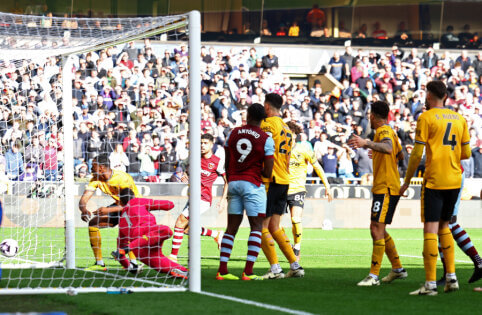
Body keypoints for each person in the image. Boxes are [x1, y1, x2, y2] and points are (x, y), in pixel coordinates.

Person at [400, 80, 471, 296]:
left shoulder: (426, 117)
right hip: (454, 180)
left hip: (434, 180)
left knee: (430, 230)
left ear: (429, 96)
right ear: (446, 97)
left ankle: (430, 284)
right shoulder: (460, 118)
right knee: (445, 227)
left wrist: (406, 181)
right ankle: (451, 278)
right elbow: (466, 154)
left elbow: (416, 154)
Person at [348, 100, 407, 286]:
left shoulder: (383, 131)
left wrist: (367, 143)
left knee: (375, 228)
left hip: (386, 187)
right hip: (387, 186)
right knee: (379, 228)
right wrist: (377, 151)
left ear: (372, 116)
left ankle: (373, 276)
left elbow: (389, 148)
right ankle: (397, 269)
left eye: (369, 116)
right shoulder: (392, 132)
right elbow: (400, 155)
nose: (369, 120)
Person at [216, 103, 275, 281]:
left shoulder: (233, 133)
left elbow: (226, 162)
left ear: (248, 115)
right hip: (252, 185)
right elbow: (268, 172)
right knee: (256, 227)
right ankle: (248, 272)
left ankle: (222, 271)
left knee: (231, 228)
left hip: (234, 183)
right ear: (264, 118)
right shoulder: (266, 138)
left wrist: (233, 175)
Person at [260, 93, 304, 279]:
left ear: (267, 107)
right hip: (284, 180)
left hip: (271, 180)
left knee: (260, 226)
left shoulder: (268, 124)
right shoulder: (287, 128)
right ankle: (295, 265)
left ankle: (275, 268)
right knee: (275, 227)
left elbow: (264, 148)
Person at [169, 133, 228, 262]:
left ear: (212, 145)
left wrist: (223, 199)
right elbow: (184, 168)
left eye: (205, 143)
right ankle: (216, 234)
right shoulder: (194, 157)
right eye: (201, 143)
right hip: (193, 197)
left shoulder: (217, 162)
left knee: (179, 221)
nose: (202, 145)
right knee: (186, 229)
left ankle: (173, 257)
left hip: (203, 199)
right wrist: (184, 174)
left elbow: (227, 180)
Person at [79, 154, 141, 271]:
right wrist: (83, 209)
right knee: (93, 223)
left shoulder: (122, 178)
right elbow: (84, 198)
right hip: (119, 206)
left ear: (101, 167)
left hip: (135, 207)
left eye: (93, 166)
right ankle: (99, 263)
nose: (90, 168)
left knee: (127, 230)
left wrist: (107, 210)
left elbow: (130, 204)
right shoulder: (96, 179)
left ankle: (134, 264)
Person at [111, 188, 188, 279]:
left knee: (160, 264)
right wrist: (152, 205)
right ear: (133, 196)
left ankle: (183, 271)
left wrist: (129, 267)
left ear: (121, 202)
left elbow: (119, 253)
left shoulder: (121, 221)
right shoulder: (138, 201)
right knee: (166, 231)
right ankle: (128, 248)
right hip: (149, 232)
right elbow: (170, 205)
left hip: (140, 251)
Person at [286, 122, 333, 259]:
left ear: (295, 135)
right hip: (281, 189)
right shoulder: (280, 149)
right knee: (273, 225)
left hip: (297, 189)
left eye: (290, 133)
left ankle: (297, 247)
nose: (288, 135)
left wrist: (327, 186)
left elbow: (317, 167)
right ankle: (286, 243)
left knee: (295, 219)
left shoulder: (304, 149)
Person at [436, 168, 482, 286]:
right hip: (455, 171)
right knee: (450, 222)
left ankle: (448, 274)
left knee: (443, 224)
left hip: (446, 173)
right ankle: (478, 262)